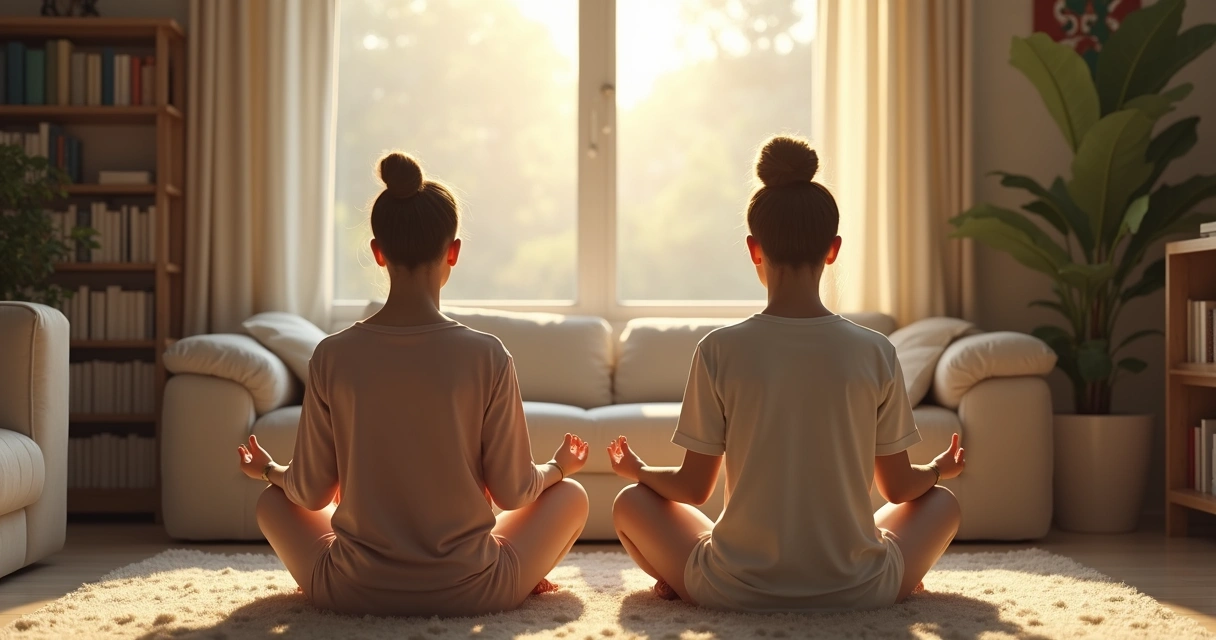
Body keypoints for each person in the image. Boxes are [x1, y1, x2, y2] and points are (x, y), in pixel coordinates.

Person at [607, 135, 965, 612]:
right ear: (833, 250)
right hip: (862, 589)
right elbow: (898, 488)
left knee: (630, 503)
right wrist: (942, 468)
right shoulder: (876, 350)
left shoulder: (718, 350)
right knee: (942, 503)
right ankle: (876, 569)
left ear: (754, 249)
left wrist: (638, 470)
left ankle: (685, 581)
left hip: (733, 589)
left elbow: (694, 489)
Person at [237, 152, 590, 617]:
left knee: (272, 503)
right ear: (454, 252)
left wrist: (268, 471)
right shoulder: (488, 355)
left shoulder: (332, 355)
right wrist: (558, 468)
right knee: (571, 497)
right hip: (475, 592)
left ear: (378, 252)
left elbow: (309, 493)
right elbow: (514, 492)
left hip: (350, 591)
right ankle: (525, 575)